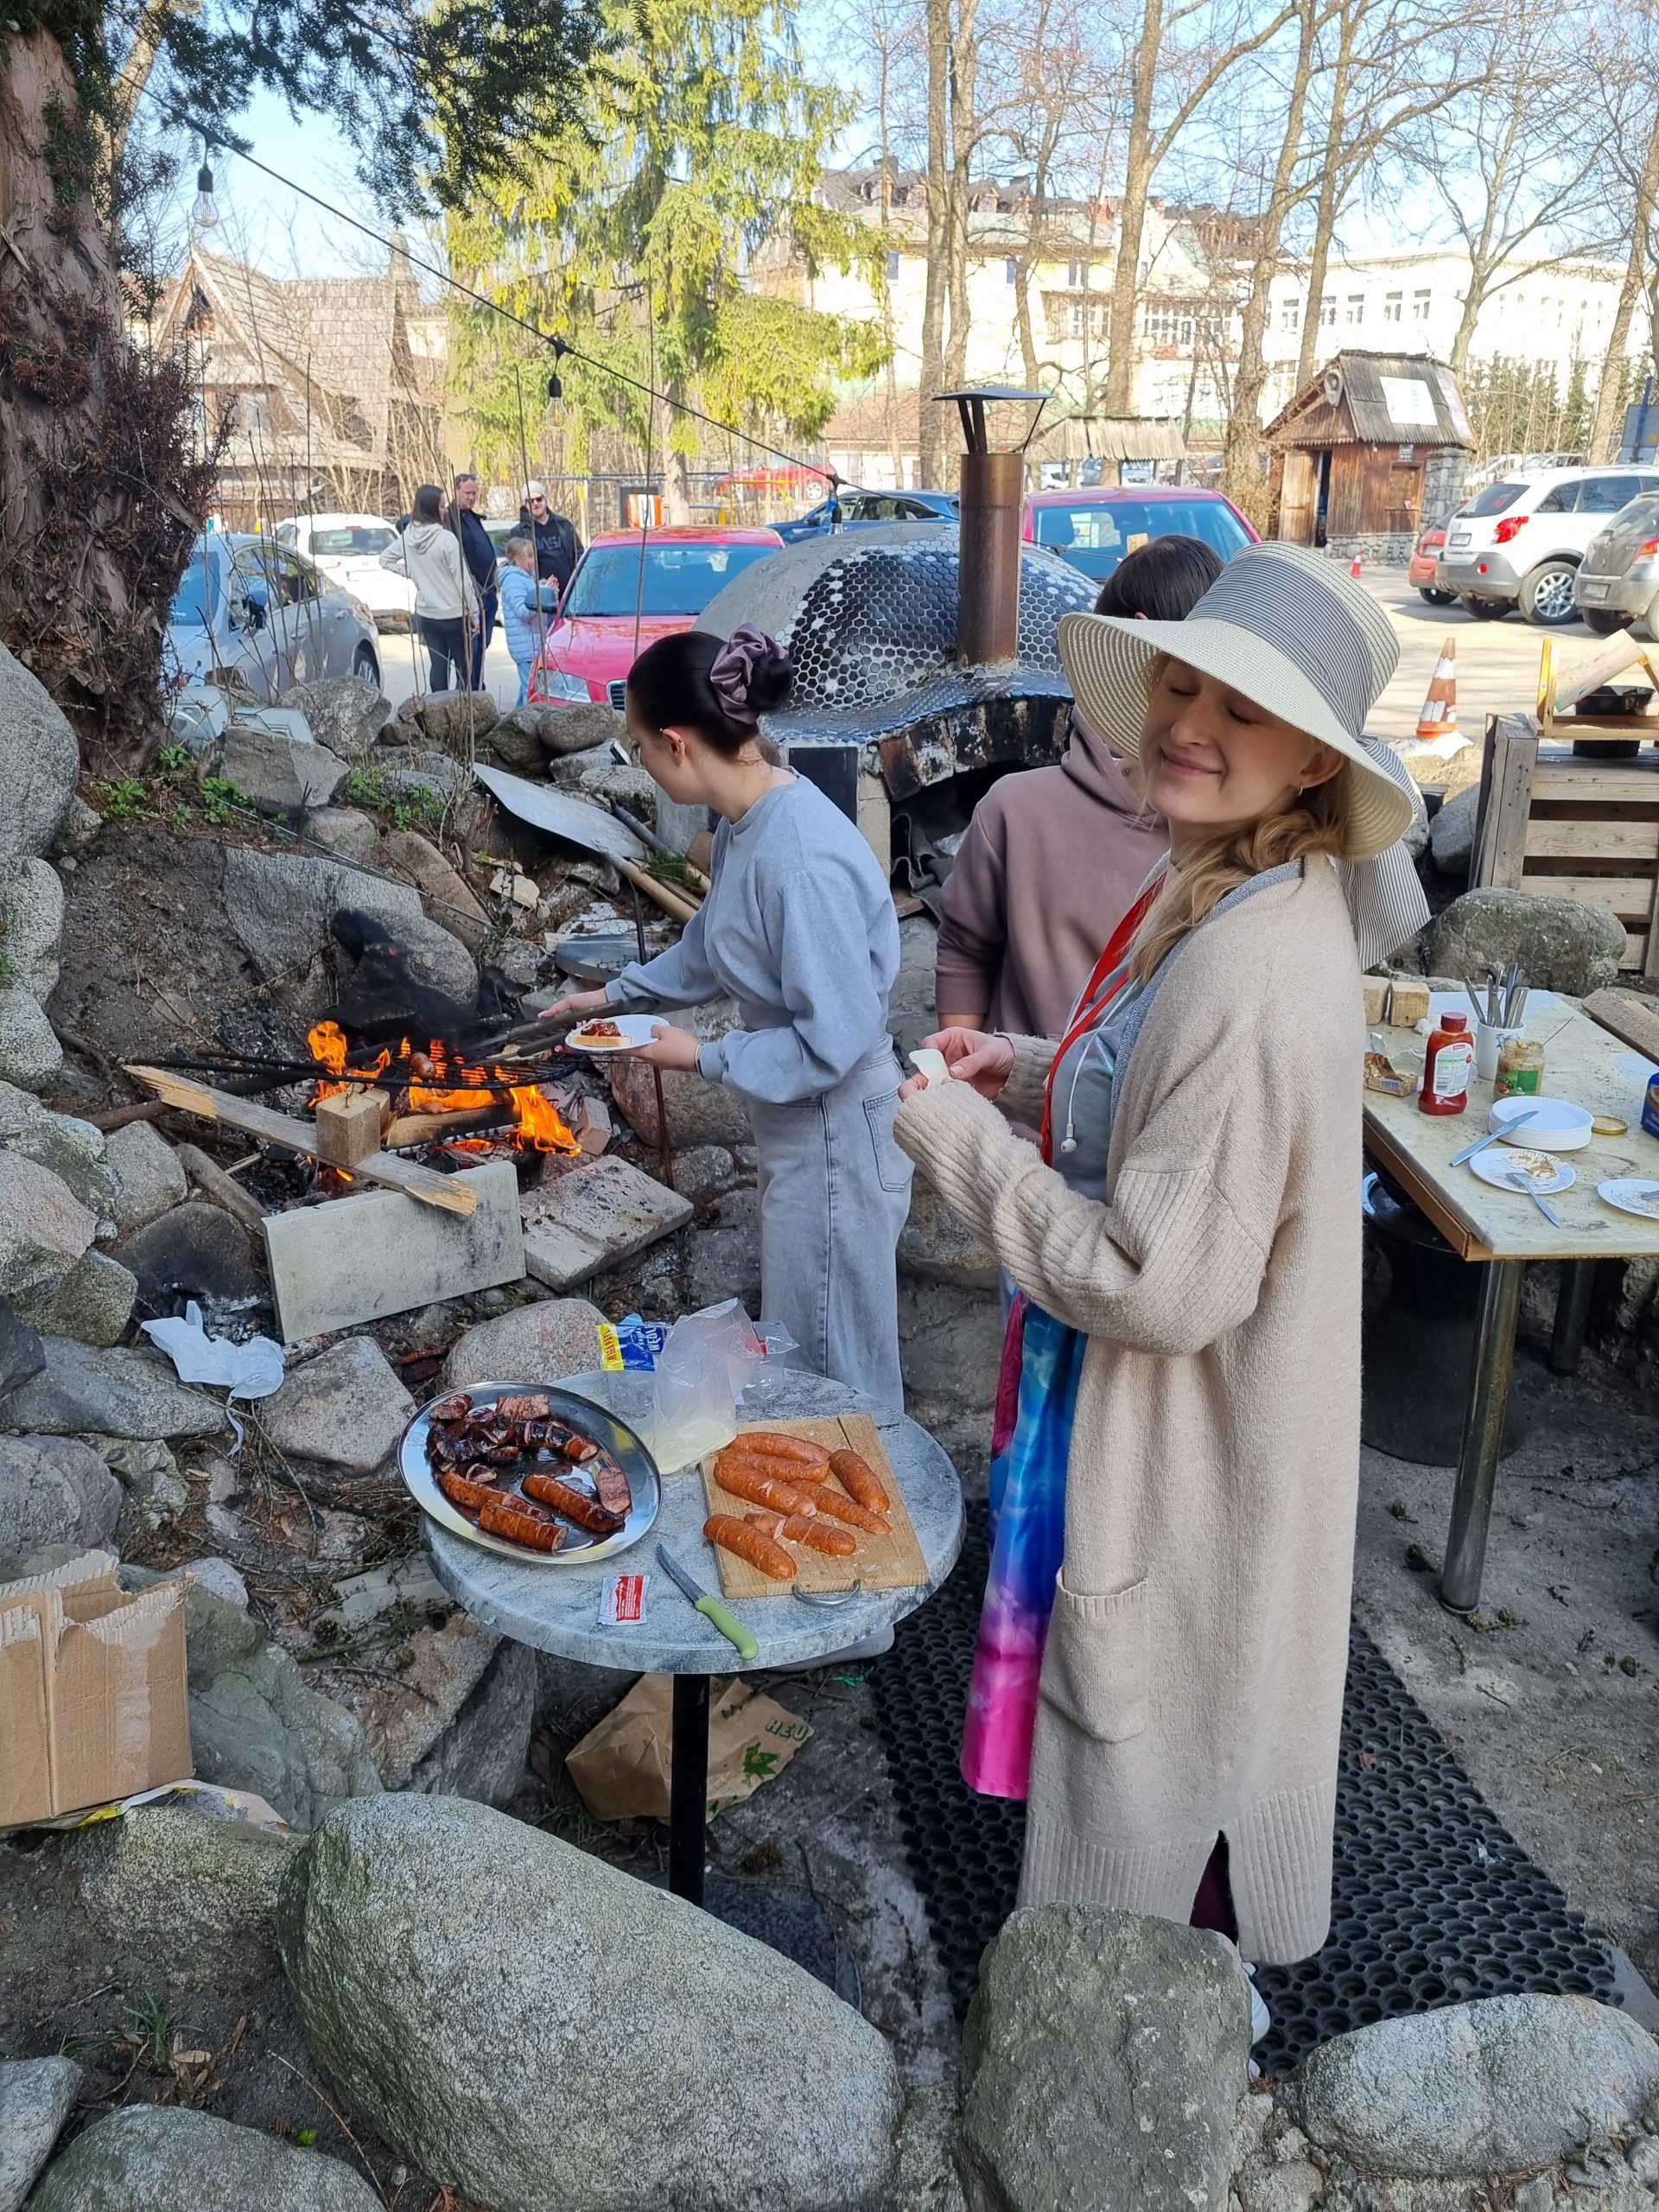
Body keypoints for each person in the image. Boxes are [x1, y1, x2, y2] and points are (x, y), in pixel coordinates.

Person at [892, 543, 1415, 1964]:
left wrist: (960, 1146)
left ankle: (1152, 2042)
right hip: (1219, 1432)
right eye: (1182, 686)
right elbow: (1162, 1107)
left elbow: (1159, 1284)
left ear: (1315, 761)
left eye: (1243, 712)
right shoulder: (1242, 892)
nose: (1191, 724)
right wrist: (1024, 1070)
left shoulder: (1251, 970)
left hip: (1197, 1443)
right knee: (1186, 1716)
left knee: (1166, 1761)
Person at [539, 626, 910, 1409]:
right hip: (803, 1125)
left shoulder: (797, 857)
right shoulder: (747, 825)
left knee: (835, 1364)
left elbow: (832, 1042)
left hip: (838, 1129)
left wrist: (702, 1057)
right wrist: (613, 998)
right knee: (808, 1340)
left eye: (638, 745)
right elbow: (710, 948)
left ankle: (881, 1518)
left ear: (676, 744)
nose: (639, 760)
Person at [934, 537, 1222, 1047]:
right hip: (1016, 1113)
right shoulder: (1015, 811)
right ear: (1138, 653)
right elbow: (964, 945)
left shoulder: (1240, 847)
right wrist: (957, 1077)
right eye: (1179, 683)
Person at [381, 485, 479, 694]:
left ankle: (438, 711)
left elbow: (385, 559)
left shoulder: (408, 538)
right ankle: (463, 713)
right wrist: (475, 614)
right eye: (442, 506)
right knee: (463, 668)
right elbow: (463, 581)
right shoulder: (446, 539)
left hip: (427, 614)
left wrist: (415, 574)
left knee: (438, 666)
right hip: (454, 613)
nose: (445, 510)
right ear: (431, 509)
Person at [452, 473, 499, 690]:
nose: (471, 497)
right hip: (471, 597)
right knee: (472, 649)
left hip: (488, 594)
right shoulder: (449, 519)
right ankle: (471, 690)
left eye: (474, 493)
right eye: (467, 493)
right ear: (456, 491)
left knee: (482, 646)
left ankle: (477, 685)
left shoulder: (472, 517)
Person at [499, 535, 549, 706]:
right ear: (517, 558)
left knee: (527, 688)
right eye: (529, 555)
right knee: (531, 689)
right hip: (526, 646)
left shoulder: (525, 578)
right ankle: (524, 722)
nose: (533, 560)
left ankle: (514, 722)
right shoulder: (513, 580)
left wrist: (546, 591)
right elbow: (523, 611)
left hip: (532, 644)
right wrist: (542, 594)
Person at [518, 480, 583, 595]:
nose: (535, 503)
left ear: (545, 499)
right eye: (530, 501)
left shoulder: (564, 525)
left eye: (539, 499)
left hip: (570, 595)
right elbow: (519, 570)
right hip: (540, 598)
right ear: (526, 504)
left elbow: (579, 555)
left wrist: (579, 582)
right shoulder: (521, 532)